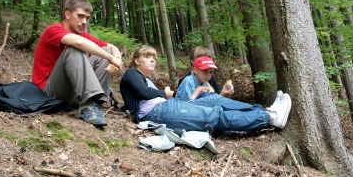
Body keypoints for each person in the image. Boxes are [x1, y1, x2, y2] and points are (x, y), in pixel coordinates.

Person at [120, 45, 291, 134]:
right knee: (214, 115)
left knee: (212, 99)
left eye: (154, 58)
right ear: (136, 60)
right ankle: (269, 117)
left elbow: (147, 92)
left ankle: (266, 110)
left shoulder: (145, 78)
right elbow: (144, 94)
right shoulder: (131, 73)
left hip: (165, 107)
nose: (152, 61)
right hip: (155, 112)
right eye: (147, 57)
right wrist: (165, 94)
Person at [32, 0, 124, 126]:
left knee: (105, 51)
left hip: (72, 93)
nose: (84, 21)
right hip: (48, 92)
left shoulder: (82, 35)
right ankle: (87, 105)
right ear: (67, 14)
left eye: (87, 18)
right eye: (80, 16)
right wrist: (110, 58)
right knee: (74, 49)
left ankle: (94, 103)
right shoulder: (53, 30)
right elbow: (78, 43)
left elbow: (111, 47)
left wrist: (116, 60)